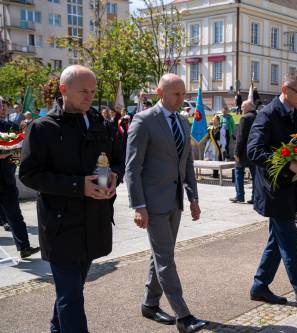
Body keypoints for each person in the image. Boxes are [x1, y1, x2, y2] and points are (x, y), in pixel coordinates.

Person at [19, 65, 124, 332]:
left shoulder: (102, 124)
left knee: (72, 290)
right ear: (63, 90)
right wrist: (79, 186)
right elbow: (30, 175)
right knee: (72, 297)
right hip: (61, 226)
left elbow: (120, 160)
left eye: (92, 91)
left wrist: (114, 177)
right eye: (83, 92)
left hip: (94, 223)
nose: (89, 97)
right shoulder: (42, 128)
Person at [125, 73, 207, 333]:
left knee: (162, 255)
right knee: (165, 259)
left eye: (184, 94)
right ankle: (183, 316)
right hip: (152, 204)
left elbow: (188, 164)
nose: (182, 99)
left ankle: (149, 304)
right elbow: (132, 168)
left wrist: (193, 198)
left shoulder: (182, 122)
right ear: (160, 92)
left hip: (175, 202)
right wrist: (138, 205)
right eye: (176, 94)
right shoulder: (143, 120)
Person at [247, 71, 297, 318]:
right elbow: (254, 151)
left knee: (277, 241)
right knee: (290, 245)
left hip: (289, 188)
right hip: (273, 191)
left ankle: (260, 286)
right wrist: (288, 165)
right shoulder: (267, 114)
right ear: (285, 89)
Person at [0, 104, 39, 259]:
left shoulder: (10, 126)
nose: (2, 109)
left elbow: (17, 152)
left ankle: (24, 247)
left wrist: (10, 161)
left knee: (14, 215)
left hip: (6, 178)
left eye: (3, 106)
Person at [230, 100, 257, 204]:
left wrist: (236, 152)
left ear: (249, 107)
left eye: (243, 106)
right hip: (255, 151)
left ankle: (239, 196)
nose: (241, 108)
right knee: (255, 175)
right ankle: (255, 197)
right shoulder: (258, 116)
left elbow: (241, 137)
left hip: (244, 152)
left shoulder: (245, 118)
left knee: (238, 172)